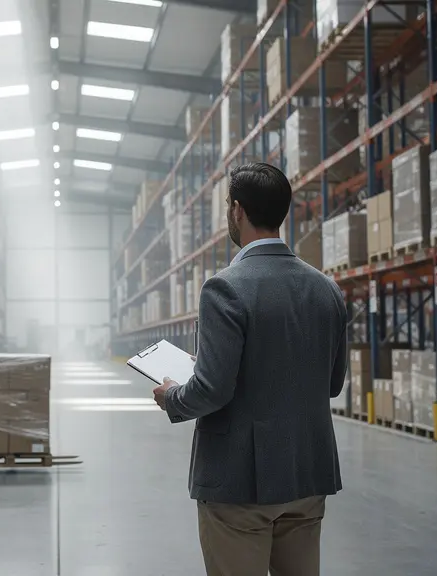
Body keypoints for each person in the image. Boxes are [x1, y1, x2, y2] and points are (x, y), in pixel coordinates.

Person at [151, 163, 347, 576]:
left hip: (241, 483)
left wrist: (173, 395)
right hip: (308, 474)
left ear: (237, 210)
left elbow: (212, 391)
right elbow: (332, 383)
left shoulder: (225, 287)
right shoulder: (326, 289)